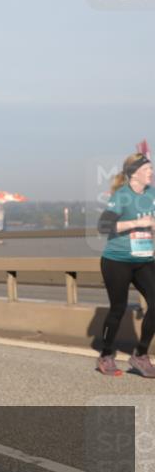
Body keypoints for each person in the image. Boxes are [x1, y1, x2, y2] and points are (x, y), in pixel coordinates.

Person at [95, 153, 155, 377]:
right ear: (134, 173)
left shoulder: (152, 195)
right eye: (148, 168)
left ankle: (140, 355)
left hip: (145, 260)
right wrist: (138, 223)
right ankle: (106, 355)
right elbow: (104, 225)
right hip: (117, 261)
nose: (152, 172)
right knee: (118, 309)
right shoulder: (122, 196)